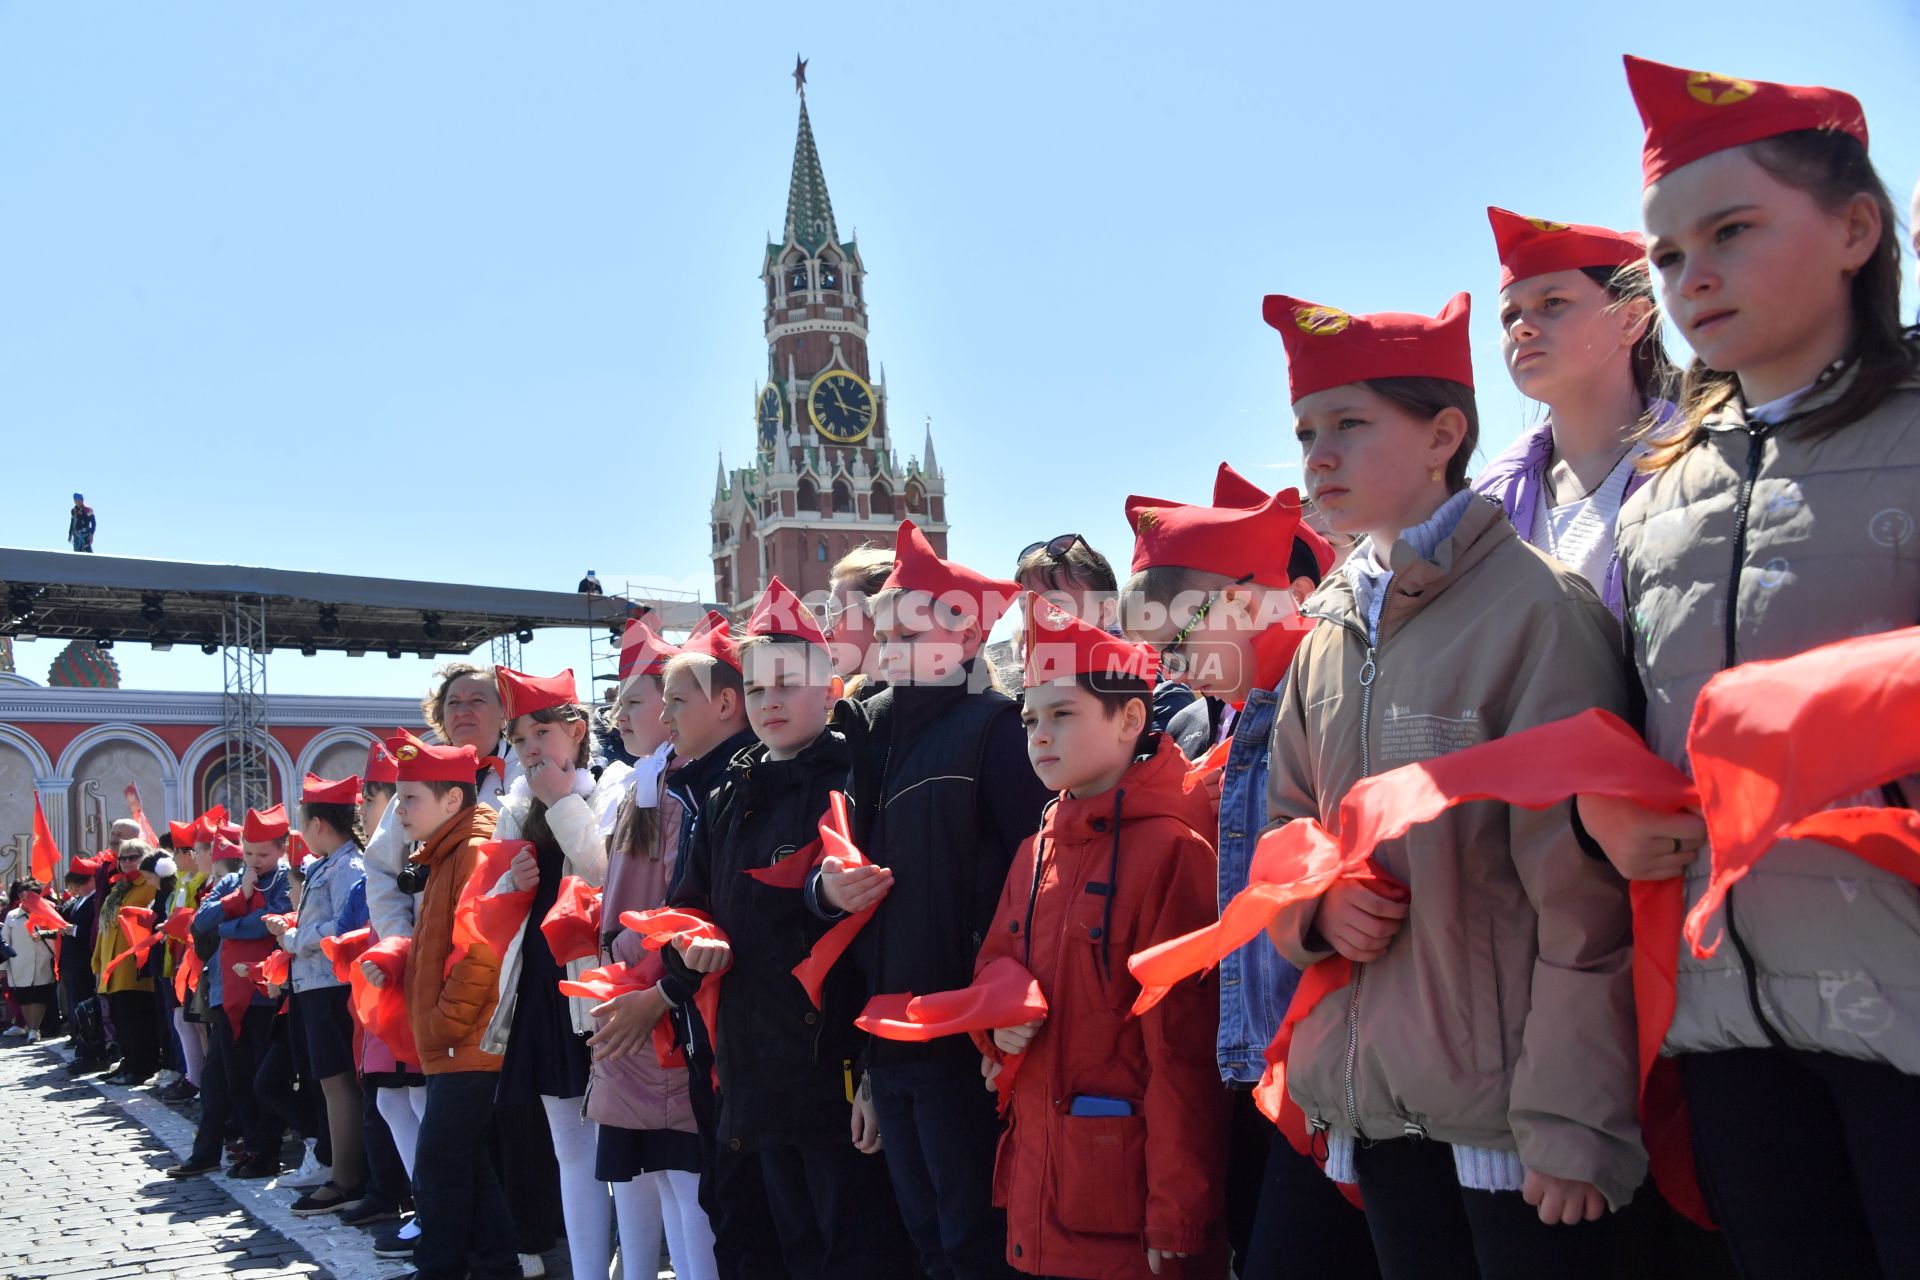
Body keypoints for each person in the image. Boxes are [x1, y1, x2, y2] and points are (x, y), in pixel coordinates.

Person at [1578, 57, 1920, 1280]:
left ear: (1855, 229)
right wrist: (1600, 812)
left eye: (1731, 230)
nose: (1692, 276)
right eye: (1666, 256)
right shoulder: (1658, 493)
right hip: (1726, 1020)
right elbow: (1627, 727)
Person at [1263, 290, 1641, 1278]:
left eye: (1350, 424)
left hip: (1516, 1124)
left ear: (1444, 435)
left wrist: (1571, 1114)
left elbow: (1585, 891)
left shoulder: (1537, 615)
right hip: (1376, 1102)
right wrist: (1316, 904)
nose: (1319, 455)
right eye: (1307, 429)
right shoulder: (1326, 640)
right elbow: (1290, 833)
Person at [1117, 464, 1360, 1278]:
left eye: (1180, 641)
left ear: (1259, 600)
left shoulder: (1327, 693)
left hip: (1329, 1070)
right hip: (1264, 1070)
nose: (1173, 670)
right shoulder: (1256, 710)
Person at [811, 520, 1054, 1280]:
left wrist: (1002, 1027)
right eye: (884, 625)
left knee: (975, 1245)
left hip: (968, 1042)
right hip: (892, 1039)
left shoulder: (995, 731)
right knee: (928, 1243)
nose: (886, 642)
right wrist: (871, 1066)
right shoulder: (871, 736)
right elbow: (847, 888)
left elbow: (1034, 892)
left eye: (908, 626)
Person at [663, 578, 914, 1278]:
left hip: (830, 1062)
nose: (770, 702)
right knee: (784, 1244)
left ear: (830, 690)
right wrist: (690, 944)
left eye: (787, 684)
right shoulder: (725, 791)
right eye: (756, 688)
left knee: (855, 1247)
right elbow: (689, 903)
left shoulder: (859, 773)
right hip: (750, 1067)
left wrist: (872, 1070)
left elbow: (882, 932)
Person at [977, 597, 1228, 1278]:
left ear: (1130, 719)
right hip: (1042, 1189)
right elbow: (994, 970)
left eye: (1062, 714)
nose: (1039, 736)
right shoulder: (1035, 852)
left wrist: (1178, 1208)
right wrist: (996, 1029)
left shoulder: (1174, 853)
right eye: (1030, 719)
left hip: (1128, 1205)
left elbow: (1183, 1051)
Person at [592, 613, 748, 1280]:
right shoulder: (651, 785)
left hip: (671, 1002)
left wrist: (648, 977)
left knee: (690, 1186)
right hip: (643, 994)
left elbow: (680, 903)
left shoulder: (681, 789)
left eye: (644, 699)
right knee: (654, 1178)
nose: (620, 715)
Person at [1473, 208, 1679, 615]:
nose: (1521, 328)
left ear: (1632, 320)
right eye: (1509, 315)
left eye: (1552, 302)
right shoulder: (1488, 499)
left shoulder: (1702, 462)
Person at [483, 666, 620, 1280]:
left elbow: (607, 876)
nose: (532, 748)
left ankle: (636, 1261)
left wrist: (562, 800)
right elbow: (488, 914)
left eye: (542, 730)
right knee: (570, 1149)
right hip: (540, 995)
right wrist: (508, 886)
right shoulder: (511, 809)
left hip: (598, 992)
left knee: (619, 1143)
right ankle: (589, 1268)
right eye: (519, 738)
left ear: (577, 730)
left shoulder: (609, 788)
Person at [379, 731, 517, 1280]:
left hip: (467, 1039)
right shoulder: (444, 853)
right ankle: (497, 1266)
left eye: (410, 797)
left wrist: (445, 1021)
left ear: (452, 801)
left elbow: (480, 949)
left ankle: (440, 1267)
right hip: (456, 1039)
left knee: (439, 1164)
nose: (399, 810)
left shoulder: (472, 850)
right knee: (464, 1163)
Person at [271, 774, 370, 1215]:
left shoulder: (347, 866)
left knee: (338, 1083)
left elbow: (350, 926)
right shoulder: (330, 864)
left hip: (332, 985)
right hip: (316, 984)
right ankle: (343, 1170)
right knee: (330, 1082)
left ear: (317, 824)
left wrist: (296, 937)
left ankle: (345, 1177)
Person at [1016, 531, 1197, 733]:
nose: (1035, 620)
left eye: (1055, 604)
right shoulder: (1027, 710)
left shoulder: (1158, 697)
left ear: (1106, 611)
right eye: (1025, 607)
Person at [222, 807, 298, 1179]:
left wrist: (228, 923)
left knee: (264, 1078)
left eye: (263, 854)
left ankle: (268, 1149)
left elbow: (268, 924)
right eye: (248, 853)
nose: (255, 861)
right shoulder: (234, 881)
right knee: (239, 1077)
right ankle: (252, 1147)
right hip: (232, 990)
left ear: (282, 849)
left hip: (267, 991)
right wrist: (241, 898)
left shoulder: (286, 880)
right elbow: (203, 920)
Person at [92, 840, 160, 1085]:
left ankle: (141, 1067)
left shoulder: (149, 887)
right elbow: (104, 930)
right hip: (113, 968)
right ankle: (128, 1063)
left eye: (134, 856)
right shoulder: (118, 889)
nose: (128, 861)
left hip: (134, 968)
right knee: (121, 1022)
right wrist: (97, 963)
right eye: (124, 858)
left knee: (137, 1022)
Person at [820, 543, 893, 697]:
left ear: (877, 613)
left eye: (833, 614)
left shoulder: (918, 710)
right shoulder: (854, 702)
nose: (825, 632)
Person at [57, 868, 109, 1073]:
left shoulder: (95, 899)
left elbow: (93, 929)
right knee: (77, 1008)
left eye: (79, 882)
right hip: (73, 962)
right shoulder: (81, 900)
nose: (75, 887)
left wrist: (74, 929)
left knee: (86, 1009)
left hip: (84, 962)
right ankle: (82, 1049)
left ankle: (91, 1053)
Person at [3, 878, 58, 1042]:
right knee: (24, 999)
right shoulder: (12, 916)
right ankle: (30, 1025)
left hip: (41, 961)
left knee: (39, 996)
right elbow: (4, 941)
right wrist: (3, 966)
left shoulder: (47, 912)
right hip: (18, 963)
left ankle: (35, 1029)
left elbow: (57, 935)